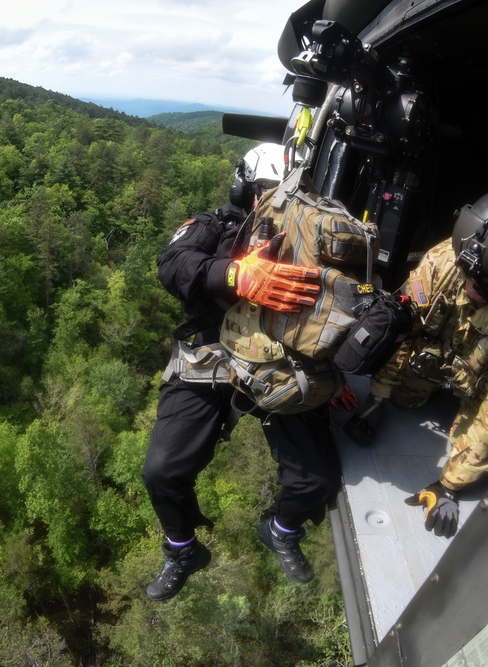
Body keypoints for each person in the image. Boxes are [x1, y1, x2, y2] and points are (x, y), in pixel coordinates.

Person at [141, 144, 343, 601]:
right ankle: (182, 550)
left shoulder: (306, 239)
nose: (271, 200)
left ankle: (281, 529)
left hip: (278, 363)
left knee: (318, 478)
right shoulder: (214, 227)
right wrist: (236, 276)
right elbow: (172, 265)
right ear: (244, 190)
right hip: (211, 358)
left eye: (280, 191)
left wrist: (337, 370)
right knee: (162, 472)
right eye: (263, 191)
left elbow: (337, 307)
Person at [345, 189, 488, 538]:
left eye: (484, 285)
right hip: (445, 358)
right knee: (405, 396)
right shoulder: (447, 260)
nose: (468, 286)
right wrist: (378, 398)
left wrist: (450, 484)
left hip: (486, 385)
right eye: (467, 275)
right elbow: (407, 328)